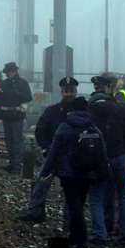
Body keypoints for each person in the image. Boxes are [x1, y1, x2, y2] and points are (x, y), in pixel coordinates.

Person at [39, 97, 107, 248]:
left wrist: (45, 171)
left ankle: (80, 240)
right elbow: (101, 153)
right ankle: (75, 238)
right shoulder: (93, 128)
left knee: (73, 206)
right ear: (86, 109)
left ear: (72, 110)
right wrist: (104, 173)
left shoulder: (64, 127)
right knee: (79, 204)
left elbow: (53, 151)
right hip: (87, 173)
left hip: (68, 173)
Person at [19, 76, 80, 223]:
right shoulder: (51, 111)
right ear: (61, 92)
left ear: (76, 92)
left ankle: (69, 218)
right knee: (40, 184)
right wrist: (46, 148)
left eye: (71, 91)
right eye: (66, 91)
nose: (69, 94)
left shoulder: (82, 112)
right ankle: (36, 213)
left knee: (70, 190)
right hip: (52, 155)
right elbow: (40, 131)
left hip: (72, 157)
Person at [87, 73, 125, 245]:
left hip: (99, 158)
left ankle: (100, 234)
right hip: (120, 156)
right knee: (123, 194)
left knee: (97, 195)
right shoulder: (121, 109)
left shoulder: (89, 109)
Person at [0, 62, 32, 174]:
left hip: (17, 115)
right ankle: (12, 163)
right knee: (9, 141)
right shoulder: (3, 83)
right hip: (6, 115)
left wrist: (16, 93)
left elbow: (28, 97)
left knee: (17, 141)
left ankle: (17, 166)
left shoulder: (23, 83)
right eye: (8, 72)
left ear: (15, 71)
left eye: (11, 71)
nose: (9, 74)